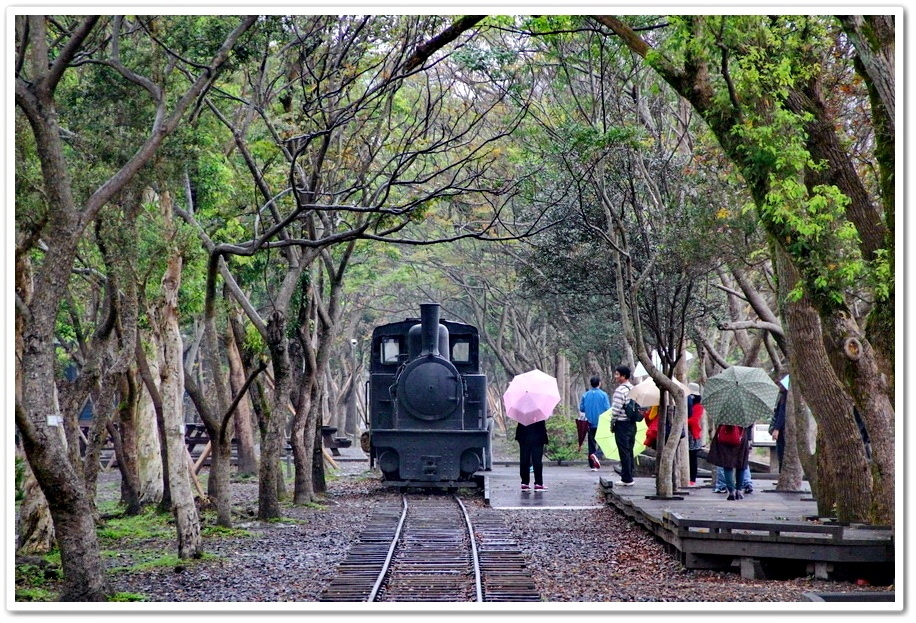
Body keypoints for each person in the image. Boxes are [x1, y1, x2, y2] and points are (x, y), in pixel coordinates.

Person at [707, 422, 752, 500]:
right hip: (740, 437)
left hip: (725, 438)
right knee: (740, 465)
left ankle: (731, 491)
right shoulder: (743, 413)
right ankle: (738, 490)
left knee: (727, 466)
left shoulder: (724, 412)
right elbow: (749, 426)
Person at [610, 365, 636, 486]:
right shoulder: (633, 388)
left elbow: (615, 410)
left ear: (623, 376)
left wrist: (612, 423)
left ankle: (626, 478)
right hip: (632, 423)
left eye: (617, 374)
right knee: (629, 449)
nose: (615, 377)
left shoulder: (620, 390)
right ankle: (630, 473)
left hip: (622, 424)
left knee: (623, 451)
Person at [579, 375, 610, 471]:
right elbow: (608, 409)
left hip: (589, 423)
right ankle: (596, 455)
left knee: (591, 443)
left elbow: (582, 408)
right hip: (601, 423)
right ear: (599, 383)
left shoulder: (585, 395)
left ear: (591, 384)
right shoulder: (603, 395)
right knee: (604, 443)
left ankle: (592, 465)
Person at [515, 419, 549, 491]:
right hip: (538, 435)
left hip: (523, 434)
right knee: (537, 460)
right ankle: (538, 483)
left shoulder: (522, 409)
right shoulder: (539, 410)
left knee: (524, 458)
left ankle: (524, 483)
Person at [686, 389, 704, 487]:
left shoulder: (698, 407)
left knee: (692, 458)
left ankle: (692, 479)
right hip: (685, 435)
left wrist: (683, 420)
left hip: (693, 436)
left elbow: (694, 420)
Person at [769, 387, 788, 471]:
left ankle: (782, 473)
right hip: (783, 429)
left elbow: (782, 414)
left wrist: (776, 428)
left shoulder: (785, 396)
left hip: (782, 429)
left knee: (782, 453)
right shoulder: (782, 396)